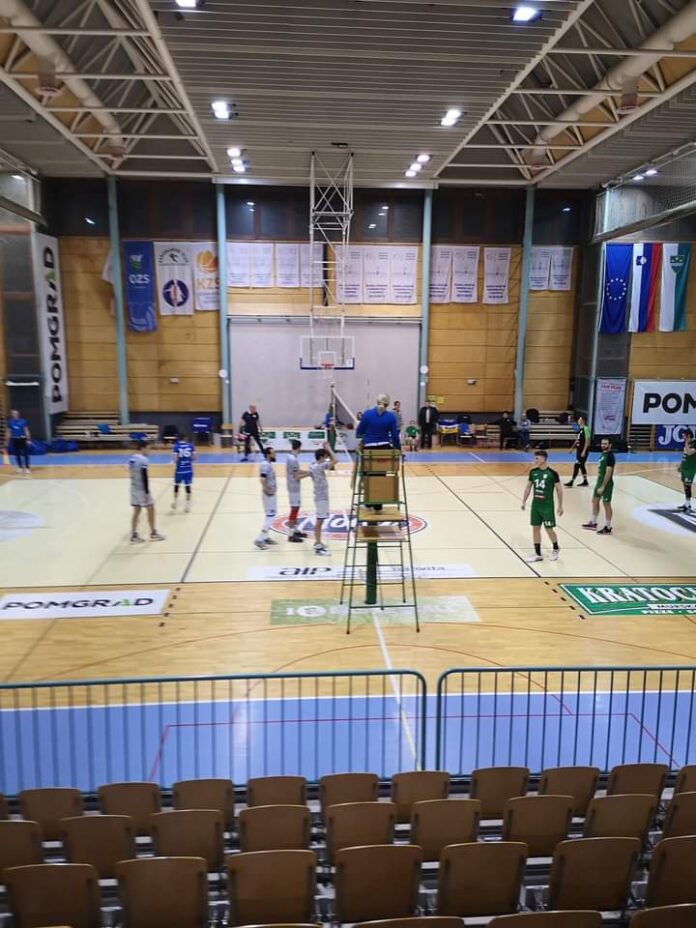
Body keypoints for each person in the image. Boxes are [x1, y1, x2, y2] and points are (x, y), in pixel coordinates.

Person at [521, 449, 563, 563]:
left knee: (549, 529)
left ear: (544, 459)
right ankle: (538, 554)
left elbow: (559, 490)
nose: (535, 460)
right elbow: (528, 487)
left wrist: (560, 505)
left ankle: (556, 548)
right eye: (534, 458)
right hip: (536, 505)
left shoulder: (552, 473)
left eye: (537, 458)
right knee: (535, 528)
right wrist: (524, 501)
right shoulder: (533, 472)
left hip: (547, 506)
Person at [129, 440, 165, 544]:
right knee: (151, 509)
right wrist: (146, 492)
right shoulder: (143, 460)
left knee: (136, 511)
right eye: (148, 449)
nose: (149, 451)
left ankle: (134, 535)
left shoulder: (132, 458)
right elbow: (144, 476)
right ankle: (153, 533)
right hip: (141, 489)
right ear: (143, 448)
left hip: (133, 487)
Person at [582, 437, 615, 534]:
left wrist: (603, 486)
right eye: (602, 443)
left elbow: (608, 472)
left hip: (606, 483)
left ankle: (608, 527)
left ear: (610, 445)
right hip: (599, 482)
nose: (603, 445)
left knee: (606, 504)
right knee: (595, 500)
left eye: (605, 444)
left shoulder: (610, 456)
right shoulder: (603, 454)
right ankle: (593, 522)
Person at [309, 441, 336, 556]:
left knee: (320, 520)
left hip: (320, 495)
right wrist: (328, 448)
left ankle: (318, 542)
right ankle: (318, 546)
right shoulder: (320, 467)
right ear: (321, 457)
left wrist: (324, 450)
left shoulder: (313, 464)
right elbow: (335, 460)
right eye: (324, 457)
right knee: (319, 521)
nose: (326, 459)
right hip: (321, 497)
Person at [254, 446, 278, 550]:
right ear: (268, 454)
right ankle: (259, 540)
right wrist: (267, 490)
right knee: (270, 516)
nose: (275, 454)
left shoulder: (268, 464)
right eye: (273, 453)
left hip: (271, 493)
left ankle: (265, 537)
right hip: (268, 494)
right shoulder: (265, 465)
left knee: (270, 515)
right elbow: (262, 479)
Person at [286, 438, 309, 542]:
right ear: (298, 448)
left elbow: (297, 471)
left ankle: (295, 530)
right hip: (293, 487)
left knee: (296, 508)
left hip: (293, 487)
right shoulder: (293, 460)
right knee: (294, 509)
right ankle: (291, 535)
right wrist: (308, 475)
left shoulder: (290, 457)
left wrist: (307, 472)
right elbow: (296, 476)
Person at [171, 432, 195, 512]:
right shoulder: (191, 446)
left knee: (176, 486)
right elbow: (194, 458)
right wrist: (188, 459)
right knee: (188, 487)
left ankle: (175, 503)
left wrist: (179, 460)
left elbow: (175, 459)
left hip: (179, 470)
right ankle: (187, 506)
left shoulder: (176, 446)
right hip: (188, 470)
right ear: (185, 438)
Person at [566, 415, 591, 487]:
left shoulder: (586, 429)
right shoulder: (579, 429)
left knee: (577, 465)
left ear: (583, 421)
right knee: (582, 465)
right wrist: (572, 448)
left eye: (579, 420)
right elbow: (577, 440)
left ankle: (572, 481)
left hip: (583, 450)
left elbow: (587, 441)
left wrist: (584, 451)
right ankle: (585, 481)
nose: (578, 421)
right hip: (579, 450)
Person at [677, 428, 695, 513]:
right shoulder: (687, 443)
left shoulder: (694, 443)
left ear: (688, 436)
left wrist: (686, 443)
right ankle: (687, 504)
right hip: (685, 467)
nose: (682, 437)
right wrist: (681, 465)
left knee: (688, 486)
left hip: (690, 468)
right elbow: (684, 455)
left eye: (684, 435)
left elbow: (689, 452)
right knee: (685, 486)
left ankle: (688, 506)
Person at [8, 409, 31, 475]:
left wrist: (28, 439)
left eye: (16, 413)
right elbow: (9, 432)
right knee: (17, 454)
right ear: (12, 415)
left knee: (25, 453)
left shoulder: (23, 421)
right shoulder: (10, 422)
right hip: (15, 439)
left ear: (18, 414)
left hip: (22, 439)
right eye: (13, 413)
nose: (15, 414)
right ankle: (20, 467)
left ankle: (27, 468)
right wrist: (8, 441)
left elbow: (26, 430)